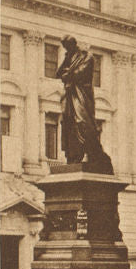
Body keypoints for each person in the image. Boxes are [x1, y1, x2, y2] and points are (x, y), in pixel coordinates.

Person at [55, 36, 112, 171]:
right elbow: (58, 74)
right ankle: (73, 156)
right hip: (69, 95)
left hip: (81, 94)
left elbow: (80, 73)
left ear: (74, 44)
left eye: (68, 46)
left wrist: (68, 74)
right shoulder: (68, 57)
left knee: (82, 122)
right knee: (68, 123)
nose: (66, 49)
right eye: (65, 47)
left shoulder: (87, 56)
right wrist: (66, 60)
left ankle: (94, 153)